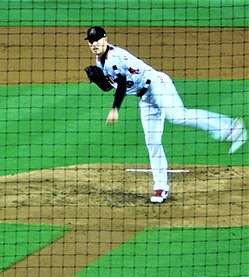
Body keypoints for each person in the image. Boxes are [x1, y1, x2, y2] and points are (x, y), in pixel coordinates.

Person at [84, 26, 246, 203]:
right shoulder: (100, 60)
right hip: (145, 96)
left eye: (97, 40)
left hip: (157, 84)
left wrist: (115, 108)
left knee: (178, 116)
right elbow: (111, 85)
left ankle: (231, 128)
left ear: (105, 39)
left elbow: (122, 83)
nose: (93, 44)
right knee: (152, 140)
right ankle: (161, 187)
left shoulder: (115, 56)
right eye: (91, 41)